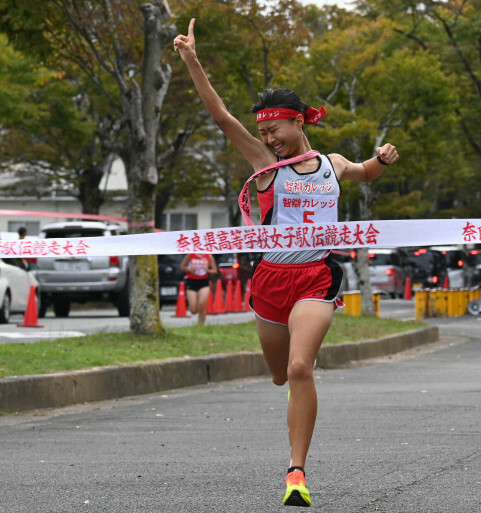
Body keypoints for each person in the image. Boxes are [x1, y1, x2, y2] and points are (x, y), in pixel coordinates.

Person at [174, 19, 399, 507]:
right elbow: (222, 118)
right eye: (263, 132)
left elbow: (364, 173)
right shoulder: (262, 165)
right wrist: (192, 60)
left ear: (298, 122)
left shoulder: (331, 163)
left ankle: (296, 473)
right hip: (271, 278)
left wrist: (382, 158)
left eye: (273, 129)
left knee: (301, 367)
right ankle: (292, 406)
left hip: (317, 276)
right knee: (280, 373)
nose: (268, 138)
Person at [180, 253, 218, 325]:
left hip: (204, 281)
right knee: (193, 310)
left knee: (202, 304)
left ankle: (200, 325)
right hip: (191, 281)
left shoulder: (209, 256)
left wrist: (207, 270)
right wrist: (190, 270)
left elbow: (215, 270)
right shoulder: (190, 255)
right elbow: (183, 266)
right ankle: (195, 307)